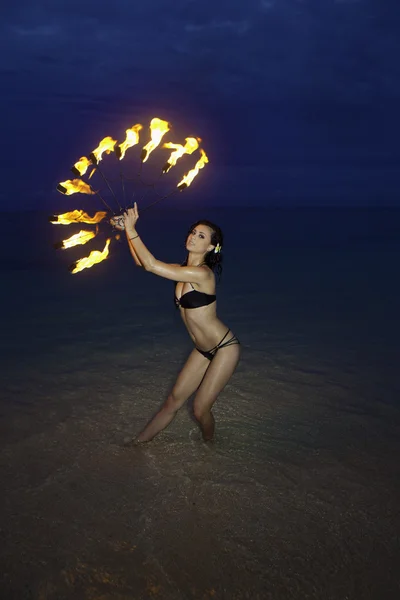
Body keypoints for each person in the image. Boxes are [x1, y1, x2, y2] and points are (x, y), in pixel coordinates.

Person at [114, 202, 240, 443]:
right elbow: (143, 264)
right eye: (193, 232)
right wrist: (126, 233)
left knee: (199, 410)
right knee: (173, 401)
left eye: (201, 236)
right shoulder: (181, 269)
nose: (193, 237)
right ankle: (135, 445)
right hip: (203, 350)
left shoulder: (202, 274)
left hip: (224, 348)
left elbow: (151, 264)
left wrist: (132, 229)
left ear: (211, 246)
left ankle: (211, 447)